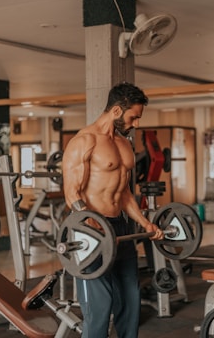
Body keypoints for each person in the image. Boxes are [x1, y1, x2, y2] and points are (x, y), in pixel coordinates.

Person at [62, 82, 164, 338]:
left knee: (130, 298)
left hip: (120, 226)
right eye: (134, 117)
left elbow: (124, 193)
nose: (137, 124)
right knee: (100, 305)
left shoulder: (124, 144)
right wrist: (90, 219)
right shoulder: (84, 141)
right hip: (90, 232)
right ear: (117, 111)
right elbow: (71, 193)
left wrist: (145, 222)